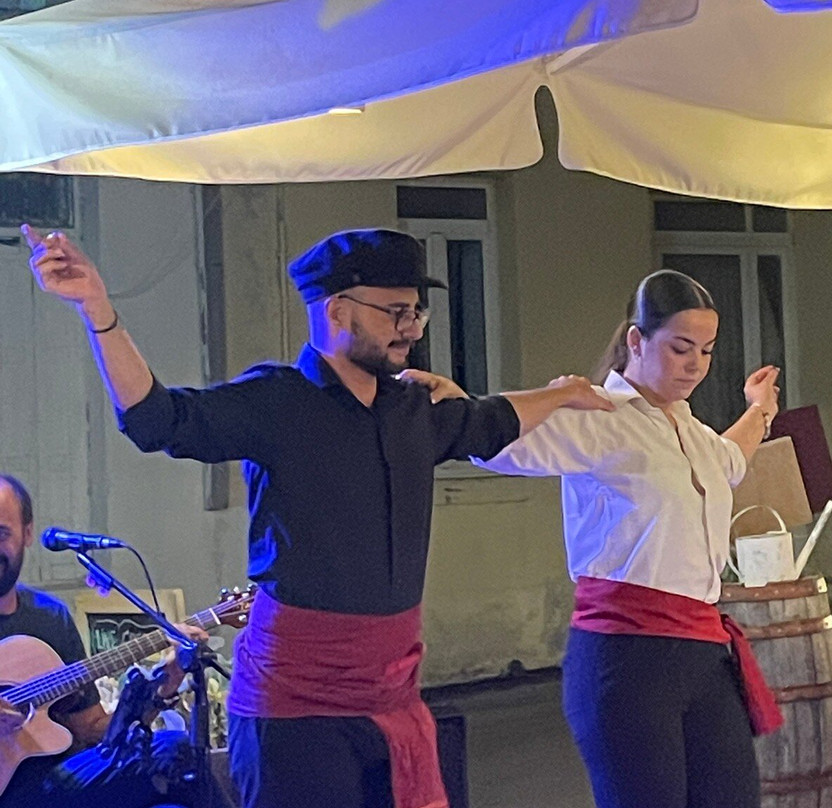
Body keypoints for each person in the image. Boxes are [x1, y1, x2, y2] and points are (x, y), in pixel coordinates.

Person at [23, 224, 612, 808]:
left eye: (416, 313)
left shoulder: (412, 408)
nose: (411, 329)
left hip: (391, 693)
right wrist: (97, 311)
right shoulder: (277, 401)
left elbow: (490, 419)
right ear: (338, 309)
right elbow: (158, 419)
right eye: (395, 313)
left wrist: (564, 393)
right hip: (293, 703)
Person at [473, 269, 781, 808]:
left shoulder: (689, 430)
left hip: (702, 652)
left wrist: (761, 407)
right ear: (636, 340)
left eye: (706, 351)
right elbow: (490, 441)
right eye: (681, 348)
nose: (695, 364)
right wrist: (546, 396)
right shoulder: (597, 417)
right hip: (627, 656)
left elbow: (732, 459)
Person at [0, 473, 207, 808]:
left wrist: (161, 689)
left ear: (27, 533)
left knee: (175, 751)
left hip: (60, 784)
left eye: (1, 533)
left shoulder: (50, 616)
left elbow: (92, 730)